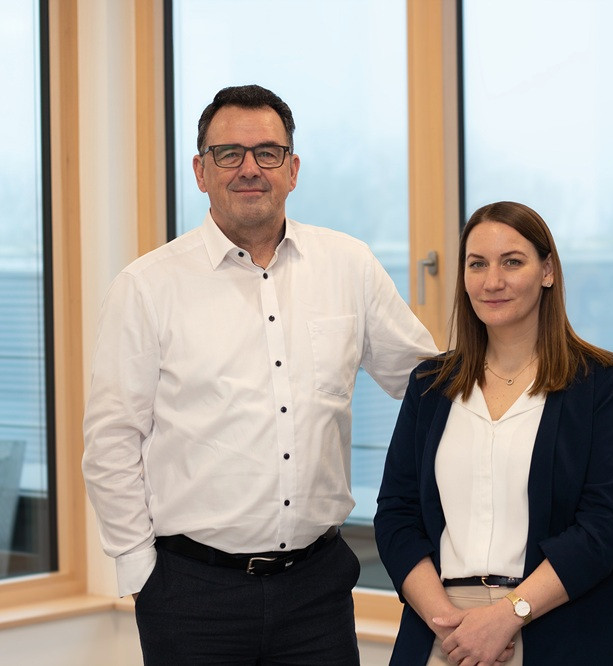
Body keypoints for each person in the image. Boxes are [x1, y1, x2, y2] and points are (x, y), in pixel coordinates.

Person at [82, 84, 437, 665]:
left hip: (317, 590)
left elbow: (428, 384)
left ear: (292, 169)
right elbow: (111, 440)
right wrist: (141, 569)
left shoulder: (347, 265)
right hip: (192, 594)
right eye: (229, 154)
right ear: (201, 171)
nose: (250, 168)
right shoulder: (147, 287)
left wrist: (534, 377)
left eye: (268, 153)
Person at [374, 201, 613, 665]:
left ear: (547, 271)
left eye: (512, 262)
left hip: (558, 627)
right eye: (476, 264)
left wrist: (507, 615)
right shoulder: (429, 387)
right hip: (443, 635)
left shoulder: (604, 385)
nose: (492, 281)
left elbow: (605, 527)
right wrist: (448, 624)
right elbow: (396, 517)